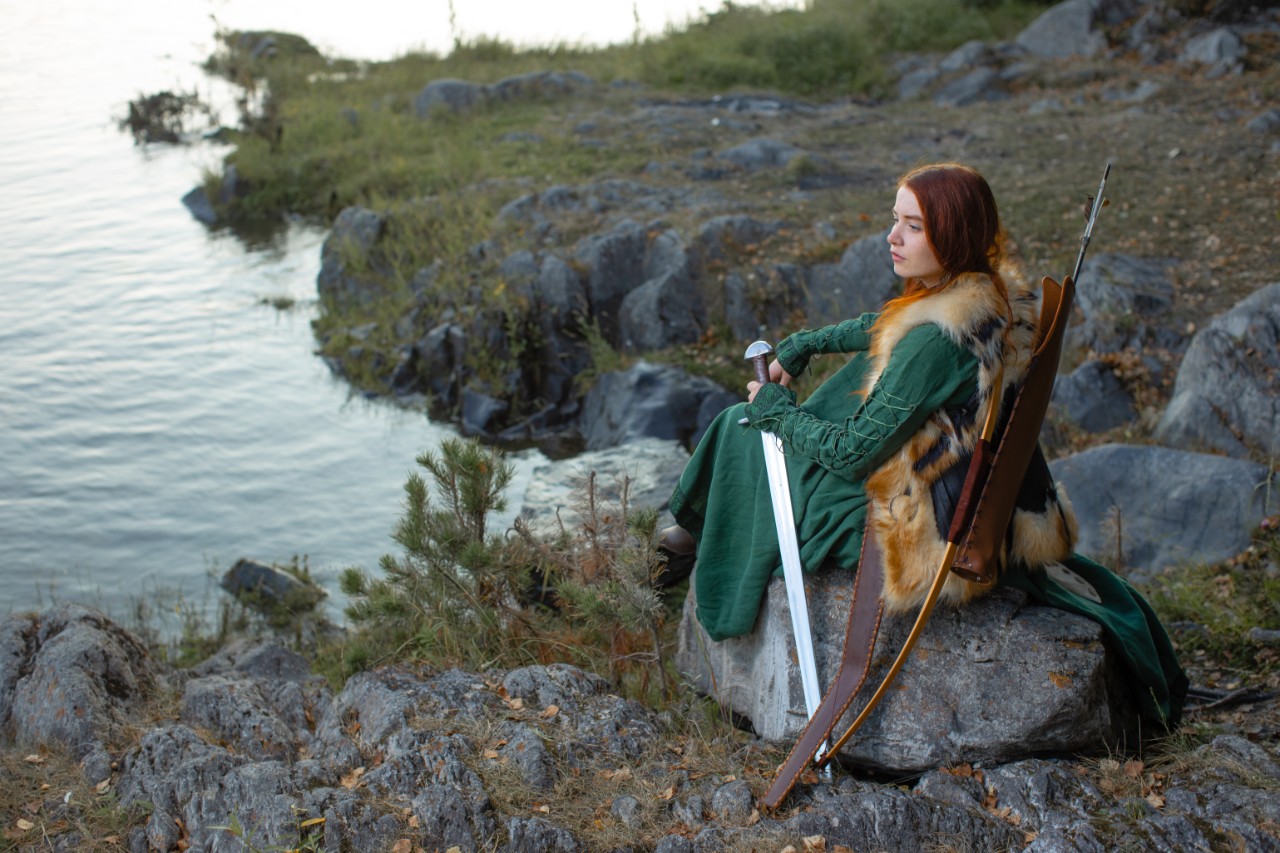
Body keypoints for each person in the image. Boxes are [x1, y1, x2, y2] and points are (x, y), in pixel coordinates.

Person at [663, 162, 1187, 726]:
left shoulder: (935, 344)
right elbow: (889, 322)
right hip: (955, 477)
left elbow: (849, 453)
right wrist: (810, 343)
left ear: (954, 234)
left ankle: (685, 545)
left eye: (912, 226)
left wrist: (777, 412)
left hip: (917, 514)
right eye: (895, 220)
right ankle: (684, 539)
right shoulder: (987, 295)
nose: (892, 236)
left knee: (739, 429)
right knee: (786, 409)